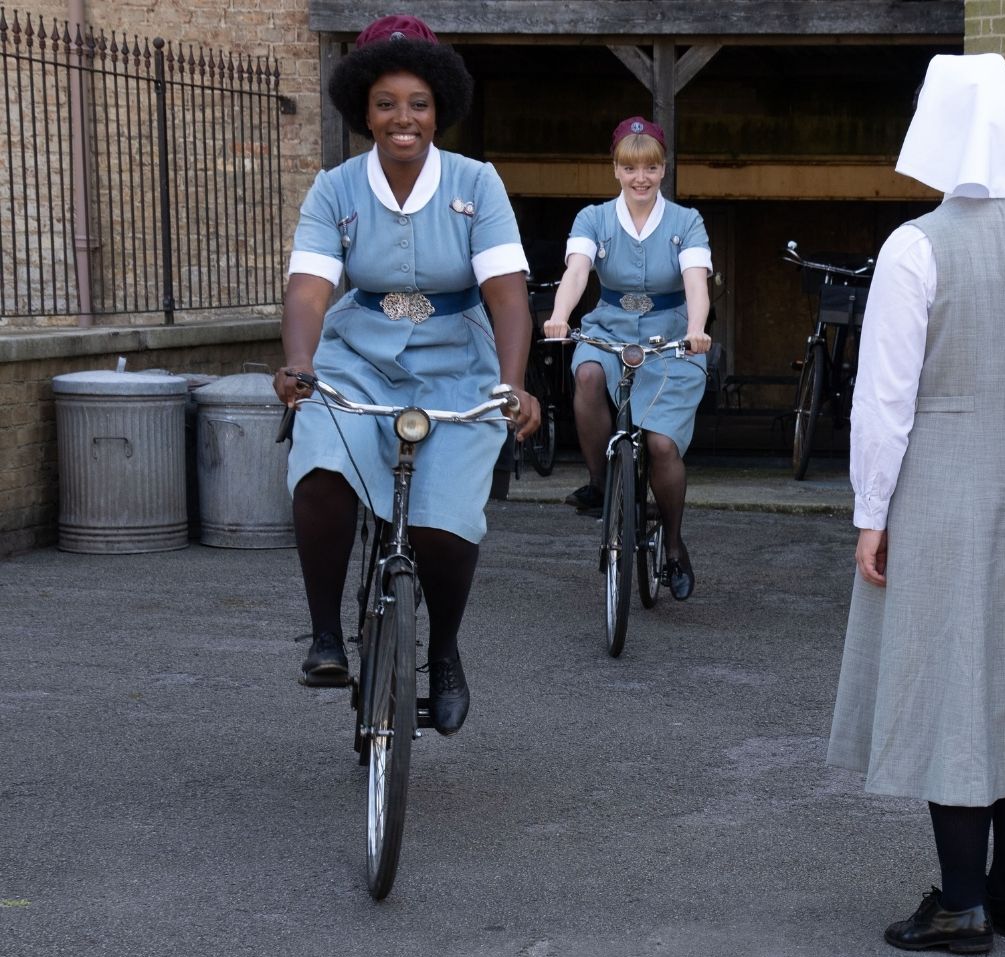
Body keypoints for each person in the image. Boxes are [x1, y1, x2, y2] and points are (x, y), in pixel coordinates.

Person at [825, 53, 1005, 956]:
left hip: (938, 476)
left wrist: (872, 509)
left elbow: (885, 395)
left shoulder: (914, 246)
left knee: (951, 682)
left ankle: (962, 901)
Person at [272, 15, 540, 736]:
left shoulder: (477, 184)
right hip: (355, 358)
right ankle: (327, 638)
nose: (402, 117)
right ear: (364, 108)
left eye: (418, 102)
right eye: (386, 101)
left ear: (438, 110)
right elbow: (309, 289)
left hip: (458, 364)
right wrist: (300, 363)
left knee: (443, 527)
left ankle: (444, 650)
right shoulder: (334, 189)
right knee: (322, 472)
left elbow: (507, 293)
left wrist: (514, 383)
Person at [543, 118, 712, 601]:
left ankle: (674, 545)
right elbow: (577, 271)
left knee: (661, 446)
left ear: (663, 170)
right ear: (615, 169)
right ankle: (600, 482)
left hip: (671, 338)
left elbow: (696, 281)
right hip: (609, 328)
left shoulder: (686, 222)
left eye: (651, 167)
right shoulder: (593, 219)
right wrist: (559, 315)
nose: (641, 177)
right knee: (590, 373)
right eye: (630, 167)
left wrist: (697, 329)